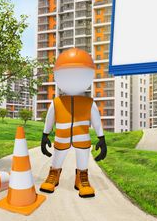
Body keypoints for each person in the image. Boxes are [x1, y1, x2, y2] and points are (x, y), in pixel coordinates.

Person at [39, 47, 107, 198]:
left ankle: (82, 178)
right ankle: (54, 175)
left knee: (83, 160)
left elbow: (96, 121)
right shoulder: (56, 103)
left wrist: (101, 138)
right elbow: (49, 119)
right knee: (57, 158)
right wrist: (45, 135)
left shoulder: (89, 103)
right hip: (61, 138)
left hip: (82, 139)